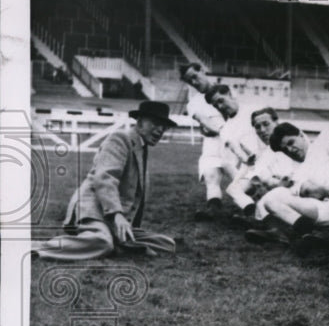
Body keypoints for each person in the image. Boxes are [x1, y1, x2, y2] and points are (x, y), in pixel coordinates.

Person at [34, 102, 178, 261]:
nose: (160, 130)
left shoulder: (141, 147)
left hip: (113, 217)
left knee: (167, 244)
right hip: (94, 209)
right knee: (102, 242)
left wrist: (126, 224)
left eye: (164, 126)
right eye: (156, 124)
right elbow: (105, 178)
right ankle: (36, 248)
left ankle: (117, 242)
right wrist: (117, 215)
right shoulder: (120, 139)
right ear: (140, 122)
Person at [179, 62, 227, 221]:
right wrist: (217, 130)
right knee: (210, 175)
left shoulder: (226, 91)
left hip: (235, 140)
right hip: (213, 142)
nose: (194, 83)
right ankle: (214, 209)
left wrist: (230, 133)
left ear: (202, 71)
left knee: (247, 180)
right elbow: (204, 120)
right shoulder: (193, 103)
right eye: (189, 81)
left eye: (194, 77)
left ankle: (256, 210)